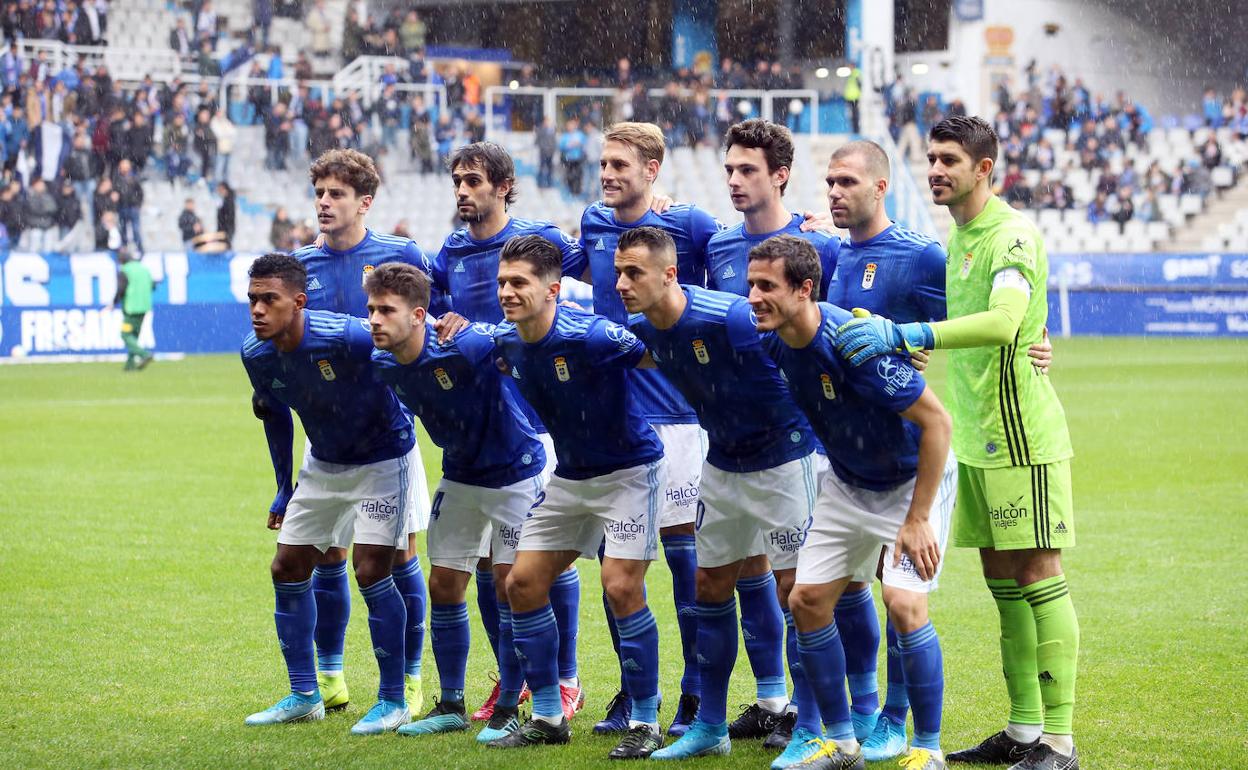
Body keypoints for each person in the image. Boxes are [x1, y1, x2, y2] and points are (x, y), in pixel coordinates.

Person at [835, 115, 1079, 770]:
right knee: (1003, 583)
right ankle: (1024, 731)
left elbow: (1003, 323)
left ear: (984, 170)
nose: (937, 169)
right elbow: (998, 323)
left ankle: (1059, 741)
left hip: (1021, 437)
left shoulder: (1011, 236)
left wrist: (905, 335)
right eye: (932, 158)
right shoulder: (962, 240)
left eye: (950, 159)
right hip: (975, 441)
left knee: (1038, 576)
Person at [614, 227, 822, 764]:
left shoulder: (728, 316)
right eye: (618, 271)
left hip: (782, 461)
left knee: (797, 592)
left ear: (669, 274)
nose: (621, 283)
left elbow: (804, 342)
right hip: (723, 464)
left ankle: (812, 723)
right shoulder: (645, 329)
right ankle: (710, 724)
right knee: (709, 585)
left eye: (633, 272)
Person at [747, 234, 954, 770]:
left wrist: (917, 520)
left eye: (767, 286)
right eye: (751, 285)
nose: (754, 297)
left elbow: (937, 423)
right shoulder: (772, 338)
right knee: (807, 601)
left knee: (905, 606)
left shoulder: (852, 345)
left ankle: (927, 750)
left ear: (805, 289)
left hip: (913, 481)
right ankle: (840, 743)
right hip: (847, 479)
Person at [488, 235, 667, 760]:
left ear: (553, 289)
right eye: (502, 282)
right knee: (521, 583)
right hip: (570, 478)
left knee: (620, 587)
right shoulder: (508, 342)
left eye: (519, 283)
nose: (507, 292)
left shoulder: (592, 336)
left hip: (632, 472)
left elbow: (660, 358)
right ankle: (548, 714)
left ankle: (647, 720)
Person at [695, 118, 842, 750]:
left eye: (748, 169)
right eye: (729, 169)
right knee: (743, 573)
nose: (734, 180)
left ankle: (821, 717)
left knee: (797, 586)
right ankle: (770, 698)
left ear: (780, 174)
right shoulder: (719, 246)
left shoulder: (817, 246)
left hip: (796, 439)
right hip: (729, 443)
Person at [430, 142, 587, 724]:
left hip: (538, 419)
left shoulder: (536, 241)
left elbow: (597, 265)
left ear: (503, 186)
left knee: (540, 561)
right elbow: (440, 317)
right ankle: (512, 678)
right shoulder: (449, 252)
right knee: (489, 566)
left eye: (472, 180)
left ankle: (565, 679)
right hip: (479, 426)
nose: (463, 191)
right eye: (456, 181)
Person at [289, 148, 447, 720]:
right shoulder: (298, 265)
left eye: (336, 195)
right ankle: (327, 678)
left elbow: (435, 319)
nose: (325, 204)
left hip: (386, 436)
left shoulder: (399, 255)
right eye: (320, 194)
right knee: (324, 553)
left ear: (365, 202)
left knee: (394, 555)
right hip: (325, 437)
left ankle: (407, 678)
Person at [576, 122, 721, 737]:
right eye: (603, 164)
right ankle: (636, 693)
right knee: (618, 566)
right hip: (615, 420)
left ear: (653, 169)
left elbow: (748, 261)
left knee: (687, 564)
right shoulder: (591, 223)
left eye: (620, 165)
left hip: (680, 418)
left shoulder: (689, 226)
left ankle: (694, 692)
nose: (608, 174)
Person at [366, 263, 544, 744]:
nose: (375, 320)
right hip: (461, 475)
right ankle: (451, 704)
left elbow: (519, 337)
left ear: (420, 314)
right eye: (371, 310)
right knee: (444, 582)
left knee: (509, 586)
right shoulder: (383, 362)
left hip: (516, 472)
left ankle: (511, 703)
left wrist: (480, 325)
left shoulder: (462, 344)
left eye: (387, 310)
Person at [240, 254, 417, 735]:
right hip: (323, 463)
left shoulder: (346, 336)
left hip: (383, 459)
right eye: (252, 299)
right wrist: (283, 487)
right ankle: (304, 694)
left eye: (269, 300)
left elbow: (405, 355)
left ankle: (394, 699)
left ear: (298, 303)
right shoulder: (255, 354)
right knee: (288, 565)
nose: (257, 309)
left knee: (371, 568)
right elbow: (274, 415)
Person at [111, 248, 155, 371]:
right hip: (144, 307)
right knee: (134, 336)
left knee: (125, 335)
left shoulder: (125, 271)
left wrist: (113, 303)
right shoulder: (143, 269)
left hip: (131, 308)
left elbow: (121, 289)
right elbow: (153, 285)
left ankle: (144, 354)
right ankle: (130, 366)